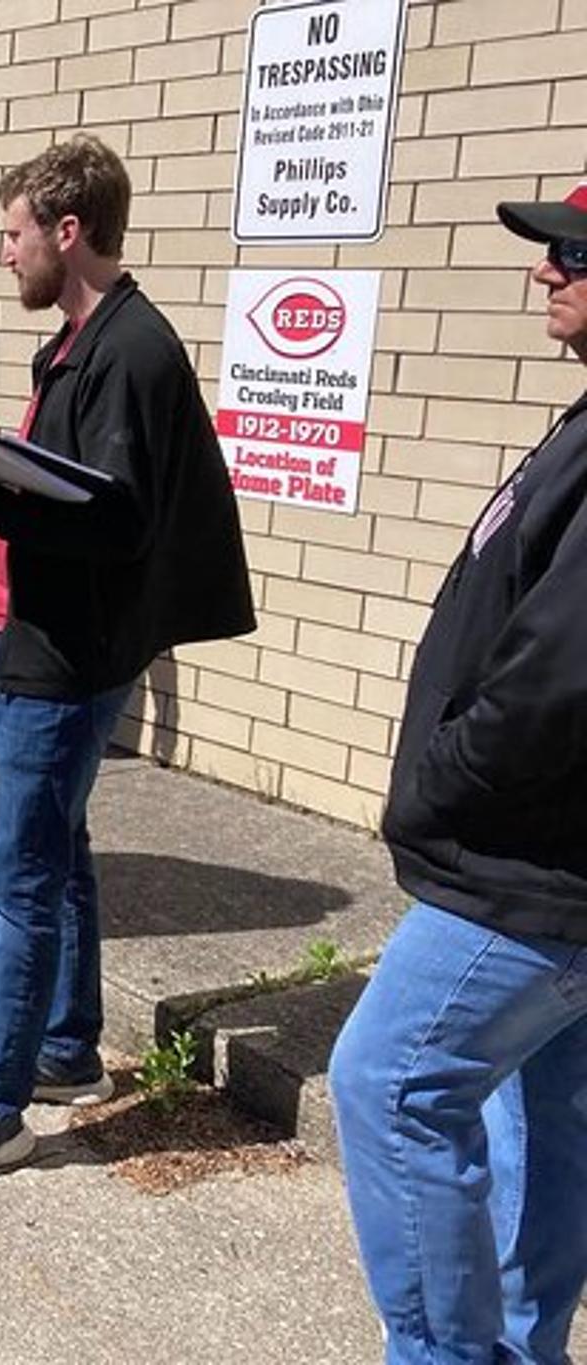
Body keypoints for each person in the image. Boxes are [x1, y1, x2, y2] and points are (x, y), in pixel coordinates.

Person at [0, 135, 254, 1182]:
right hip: (29, 633)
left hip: (66, 653)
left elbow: (117, 524)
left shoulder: (130, 349)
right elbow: (80, 488)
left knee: (20, 876)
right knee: (57, 854)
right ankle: (63, 1047)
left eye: (12, 234)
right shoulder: (83, 340)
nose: (4, 256)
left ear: (66, 230)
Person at [327, 181, 587, 1365]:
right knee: (547, 1117)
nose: (545, 272)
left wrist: (433, 785)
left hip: (530, 871)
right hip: (541, 859)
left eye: (572, 254)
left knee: (387, 1082)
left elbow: (552, 683)